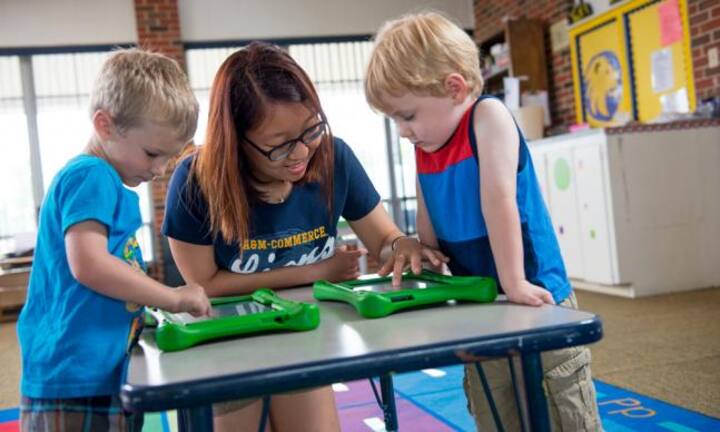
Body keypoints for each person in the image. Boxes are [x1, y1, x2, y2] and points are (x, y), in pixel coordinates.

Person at [162, 41, 447, 431]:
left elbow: (384, 239)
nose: (300, 153)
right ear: (235, 139)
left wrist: (402, 246)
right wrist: (315, 272)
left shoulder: (332, 157)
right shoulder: (196, 179)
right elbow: (205, 285)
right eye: (278, 145)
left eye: (311, 129)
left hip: (301, 336)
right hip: (224, 344)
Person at [364, 11, 602, 431]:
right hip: (480, 300)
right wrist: (426, 261)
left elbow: (498, 200)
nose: (402, 130)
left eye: (408, 115)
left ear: (454, 88)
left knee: (562, 401)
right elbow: (427, 215)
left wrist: (514, 282)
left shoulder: (487, 117)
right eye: (394, 120)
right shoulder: (426, 144)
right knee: (496, 404)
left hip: (533, 288)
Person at [17, 49, 212, 432]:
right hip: (75, 377)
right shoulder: (92, 175)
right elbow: (89, 264)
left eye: (169, 159)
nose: (159, 170)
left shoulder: (103, 180)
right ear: (105, 125)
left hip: (99, 370)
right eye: (152, 154)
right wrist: (171, 297)